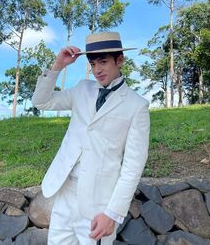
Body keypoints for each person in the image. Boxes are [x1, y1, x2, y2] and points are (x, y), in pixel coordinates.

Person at [32, 31, 150, 245]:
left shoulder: (137, 105)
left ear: (120, 60)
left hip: (98, 203)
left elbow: (133, 166)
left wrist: (112, 213)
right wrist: (57, 66)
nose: (97, 70)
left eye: (103, 62)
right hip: (64, 193)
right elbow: (41, 102)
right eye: (93, 63)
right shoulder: (81, 89)